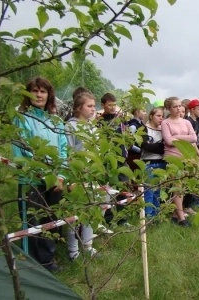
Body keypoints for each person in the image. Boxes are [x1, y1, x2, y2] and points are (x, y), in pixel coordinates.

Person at [12, 77, 67, 272]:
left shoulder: (57, 121)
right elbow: (24, 151)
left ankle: (48, 259)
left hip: (55, 181)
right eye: (34, 91)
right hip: (31, 180)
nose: (38, 95)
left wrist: (61, 177)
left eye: (43, 91)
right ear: (28, 94)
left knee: (51, 220)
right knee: (33, 222)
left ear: (49, 95)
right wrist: (47, 176)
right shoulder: (21, 119)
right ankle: (34, 264)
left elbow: (63, 151)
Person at [65, 92, 99, 261]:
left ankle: (88, 246)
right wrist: (72, 178)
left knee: (90, 210)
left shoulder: (92, 126)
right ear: (79, 107)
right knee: (74, 213)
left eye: (94, 106)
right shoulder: (70, 126)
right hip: (77, 175)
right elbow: (68, 152)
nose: (93, 109)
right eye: (89, 106)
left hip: (91, 174)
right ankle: (73, 251)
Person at [161, 97, 197, 227]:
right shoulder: (166, 123)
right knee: (177, 187)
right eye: (174, 106)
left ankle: (175, 215)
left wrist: (176, 137)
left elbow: (194, 138)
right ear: (169, 108)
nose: (178, 108)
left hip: (186, 158)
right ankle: (182, 218)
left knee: (183, 187)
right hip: (173, 157)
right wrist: (181, 139)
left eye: (179, 105)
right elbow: (168, 142)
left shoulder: (186, 122)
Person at [97, 93, 130, 226]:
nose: (112, 107)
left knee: (124, 188)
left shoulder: (120, 120)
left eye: (114, 104)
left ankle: (122, 218)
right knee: (107, 191)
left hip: (121, 159)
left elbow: (126, 136)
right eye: (109, 104)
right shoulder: (100, 122)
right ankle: (108, 218)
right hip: (107, 161)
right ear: (103, 105)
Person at [140, 107, 165, 218]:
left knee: (158, 190)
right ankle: (148, 214)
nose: (161, 118)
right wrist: (159, 146)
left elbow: (165, 146)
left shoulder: (163, 129)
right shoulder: (144, 128)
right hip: (148, 162)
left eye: (162, 116)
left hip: (161, 162)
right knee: (148, 190)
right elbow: (145, 146)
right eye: (158, 116)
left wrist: (155, 146)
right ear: (151, 116)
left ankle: (156, 214)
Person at [187, 99, 199, 165]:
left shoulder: (198, 122)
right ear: (192, 110)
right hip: (193, 152)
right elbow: (192, 141)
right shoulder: (188, 122)